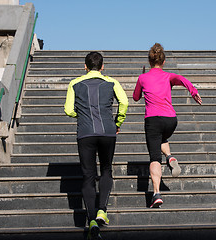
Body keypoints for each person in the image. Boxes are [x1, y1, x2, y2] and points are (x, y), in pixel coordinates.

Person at [64, 52, 128, 239]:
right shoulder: (112, 82)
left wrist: (82, 115)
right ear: (102, 67)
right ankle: (102, 211)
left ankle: (91, 220)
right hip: (108, 131)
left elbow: (68, 110)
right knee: (106, 170)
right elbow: (124, 102)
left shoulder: (74, 83)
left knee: (88, 176)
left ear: (85, 66)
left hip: (85, 133)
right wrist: (118, 122)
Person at [133, 43, 202, 208]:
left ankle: (156, 193)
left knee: (154, 158)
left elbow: (135, 98)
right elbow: (181, 79)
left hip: (153, 120)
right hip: (171, 120)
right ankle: (170, 156)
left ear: (149, 61)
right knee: (161, 137)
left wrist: (142, 83)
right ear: (164, 62)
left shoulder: (143, 78)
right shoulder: (168, 76)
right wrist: (193, 91)